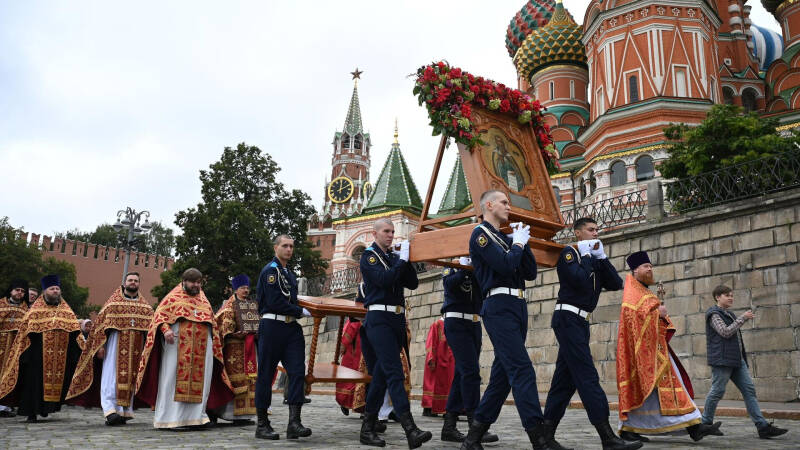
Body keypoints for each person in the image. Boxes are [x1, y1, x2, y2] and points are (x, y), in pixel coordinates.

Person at [542, 218, 639, 450]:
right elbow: (577, 280)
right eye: (590, 230)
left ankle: (545, 436)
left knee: (563, 382)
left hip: (580, 321)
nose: (596, 234)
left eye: (597, 230)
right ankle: (607, 437)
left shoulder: (593, 258)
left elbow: (616, 283)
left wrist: (601, 258)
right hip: (567, 318)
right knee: (587, 376)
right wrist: (585, 256)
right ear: (578, 233)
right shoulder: (569, 254)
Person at [461, 190, 543, 450]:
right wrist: (517, 244)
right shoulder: (481, 234)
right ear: (489, 205)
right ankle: (540, 437)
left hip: (517, 305)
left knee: (502, 377)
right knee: (521, 369)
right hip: (498, 305)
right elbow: (507, 266)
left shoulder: (503, 237)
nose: (509, 207)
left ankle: (473, 438)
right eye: (504, 202)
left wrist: (523, 243)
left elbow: (529, 273)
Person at [616, 251, 721, 442]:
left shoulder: (643, 290)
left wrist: (658, 316)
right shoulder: (632, 292)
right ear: (635, 270)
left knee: (659, 391)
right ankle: (693, 428)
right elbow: (634, 321)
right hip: (642, 352)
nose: (650, 269)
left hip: (656, 349)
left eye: (651, 266)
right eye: (646, 266)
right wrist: (657, 314)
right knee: (652, 390)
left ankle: (693, 427)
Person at [358, 218, 431, 448]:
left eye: (392, 231)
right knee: (395, 373)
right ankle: (411, 429)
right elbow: (383, 279)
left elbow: (412, 283)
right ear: (375, 233)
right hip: (379, 319)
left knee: (380, 377)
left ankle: (367, 429)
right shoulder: (369, 256)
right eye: (386, 231)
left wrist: (405, 261)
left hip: (396, 319)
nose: (390, 235)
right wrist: (400, 260)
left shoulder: (391, 257)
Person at [135, 268, 234, 429]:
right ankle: (169, 419)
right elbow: (159, 318)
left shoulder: (203, 300)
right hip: (176, 345)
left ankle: (196, 418)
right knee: (172, 380)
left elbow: (212, 323)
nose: (196, 285)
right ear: (184, 281)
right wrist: (166, 329)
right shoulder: (173, 297)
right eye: (193, 282)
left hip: (202, 348)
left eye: (198, 282)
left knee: (203, 382)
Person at [67, 272, 154, 425]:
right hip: (114, 346)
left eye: (135, 281)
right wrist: (100, 346)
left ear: (139, 284)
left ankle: (124, 411)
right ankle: (110, 411)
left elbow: (151, 328)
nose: (133, 283)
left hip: (136, 350)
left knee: (130, 380)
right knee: (111, 378)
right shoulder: (113, 303)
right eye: (130, 280)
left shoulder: (145, 307)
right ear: (124, 283)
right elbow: (100, 326)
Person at [702, 285, 788, 439]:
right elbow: (725, 332)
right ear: (717, 297)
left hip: (737, 360)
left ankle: (762, 427)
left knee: (749, 391)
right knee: (717, 391)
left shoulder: (730, 314)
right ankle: (705, 424)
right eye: (727, 295)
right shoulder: (713, 314)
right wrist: (743, 318)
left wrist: (743, 359)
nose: (731, 298)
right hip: (722, 361)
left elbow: (736, 339)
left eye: (732, 295)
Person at [0, 275, 83, 422]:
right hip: (37, 356)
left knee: (56, 385)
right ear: (45, 291)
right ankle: (32, 412)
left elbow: (75, 332)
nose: (55, 291)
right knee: (34, 384)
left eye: (57, 289)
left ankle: (46, 408)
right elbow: (24, 334)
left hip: (60, 357)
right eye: (52, 289)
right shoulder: (34, 311)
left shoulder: (67, 311)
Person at [254, 235, 312, 440]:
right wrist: (300, 311)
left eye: (291, 246)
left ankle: (294, 423)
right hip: (272, 325)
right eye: (285, 246)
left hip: (290, 328)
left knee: (297, 372)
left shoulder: (288, 272)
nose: (289, 249)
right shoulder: (271, 270)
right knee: (266, 374)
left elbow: (292, 298)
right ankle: (262, 424)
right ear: (276, 247)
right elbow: (274, 301)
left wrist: (303, 307)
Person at [440, 258, 498, 444]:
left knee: (462, 373)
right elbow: (450, 284)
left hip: (473, 322)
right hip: (456, 321)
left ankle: (449, 426)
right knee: (471, 373)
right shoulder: (453, 266)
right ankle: (475, 423)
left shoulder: (478, 266)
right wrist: (464, 268)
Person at [209, 274, 258, 425]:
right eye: (242, 288)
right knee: (234, 381)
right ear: (235, 289)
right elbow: (222, 329)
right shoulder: (229, 307)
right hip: (233, 349)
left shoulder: (251, 305)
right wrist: (234, 333)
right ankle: (227, 414)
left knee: (250, 380)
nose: (246, 290)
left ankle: (243, 416)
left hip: (250, 348)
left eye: (247, 288)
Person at [336, 283, 367, 416]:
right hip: (354, 352)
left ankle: (359, 407)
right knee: (351, 379)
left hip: (361, 350)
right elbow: (348, 334)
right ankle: (345, 403)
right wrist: (342, 347)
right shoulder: (354, 320)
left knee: (359, 380)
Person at [0, 279, 30, 417]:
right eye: (17, 290)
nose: (20, 293)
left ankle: (6, 406)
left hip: (17, 348)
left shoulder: (26, 309)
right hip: (1, 346)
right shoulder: (1, 304)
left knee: (12, 375)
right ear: (11, 291)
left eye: (23, 291)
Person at [421, 316, 453, 418]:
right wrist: (431, 358)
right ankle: (429, 407)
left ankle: (448, 407)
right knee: (434, 384)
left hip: (450, 361)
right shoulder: (436, 325)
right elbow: (431, 342)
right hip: (437, 361)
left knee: (449, 385)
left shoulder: (452, 324)